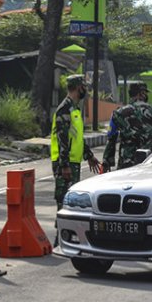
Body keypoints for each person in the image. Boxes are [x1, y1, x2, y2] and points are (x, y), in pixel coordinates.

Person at [51, 74, 100, 212]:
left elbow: (77, 137)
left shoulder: (75, 109)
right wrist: (64, 165)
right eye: (84, 87)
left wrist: (89, 156)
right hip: (64, 164)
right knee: (64, 204)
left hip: (73, 163)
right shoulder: (64, 109)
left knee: (73, 204)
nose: (86, 90)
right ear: (79, 88)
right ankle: (61, 233)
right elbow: (63, 139)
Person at [102, 82, 152, 171]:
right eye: (145, 93)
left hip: (126, 163)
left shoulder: (118, 113)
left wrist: (107, 162)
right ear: (141, 93)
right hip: (149, 162)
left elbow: (111, 137)